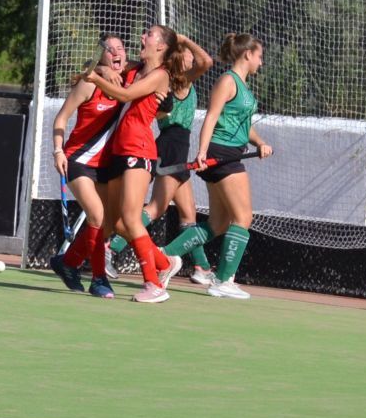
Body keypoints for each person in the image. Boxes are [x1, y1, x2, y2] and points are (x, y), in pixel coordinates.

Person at [161, 32, 273, 299]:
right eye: (259, 56)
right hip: (221, 155)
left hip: (230, 152)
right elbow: (211, 118)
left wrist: (259, 142)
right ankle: (223, 280)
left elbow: (243, 127)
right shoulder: (228, 81)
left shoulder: (242, 86)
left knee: (219, 223)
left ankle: (163, 256)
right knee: (243, 218)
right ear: (247, 54)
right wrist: (201, 152)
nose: (261, 62)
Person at [84, 25, 189, 303]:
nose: (143, 37)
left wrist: (95, 77)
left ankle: (155, 285)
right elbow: (108, 67)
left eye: (150, 35)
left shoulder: (160, 75)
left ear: (162, 46)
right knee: (117, 223)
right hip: (120, 151)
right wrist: (105, 71)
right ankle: (164, 264)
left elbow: (126, 96)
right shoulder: (136, 68)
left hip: (139, 150)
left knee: (131, 218)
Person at [104, 36, 215, 285]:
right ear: (177, 55)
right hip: (173, 144)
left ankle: (201, 266)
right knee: (155, 208)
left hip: (174, 144)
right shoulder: (180, 80)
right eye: (186, 53)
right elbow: (205, 61)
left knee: (188, 214)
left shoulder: (174, 79)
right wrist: (183, 40)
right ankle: (112, 247)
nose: (190, 57)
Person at [49, 33, 131, 298]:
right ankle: (99, 279)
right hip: (78, 159)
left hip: (105, 165)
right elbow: (61, 118)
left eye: (121, 48)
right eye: (110, 50)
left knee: (107, 223)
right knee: (96, 214)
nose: (117, 53)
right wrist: (58, 151)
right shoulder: (89, 83)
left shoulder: (128, 83)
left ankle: (68, 262)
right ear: (102, 55)